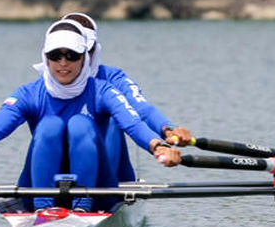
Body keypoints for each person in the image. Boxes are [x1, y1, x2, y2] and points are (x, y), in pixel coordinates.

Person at [0, 22, 181, 212]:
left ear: (85, 57)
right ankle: (44, 207)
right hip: (38, 186)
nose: (63, 63)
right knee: (50, 125)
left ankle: (82, 206)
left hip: (99, 188)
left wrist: (159, 146)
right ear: (46, 58)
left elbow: (133, 123)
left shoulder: (103, 90)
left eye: (72, 56)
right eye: (56, 56)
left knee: (79, 124)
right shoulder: (29, 93)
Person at [55, 12, 193, 187]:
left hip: (110, 177)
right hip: (58, 172)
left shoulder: (113, 79)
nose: (67, 61)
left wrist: (168, 129)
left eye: (81, 52)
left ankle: (103, 191)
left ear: (92, 50)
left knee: (114, 117)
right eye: (62, 54)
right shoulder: (42, 88)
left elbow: (143, 111)